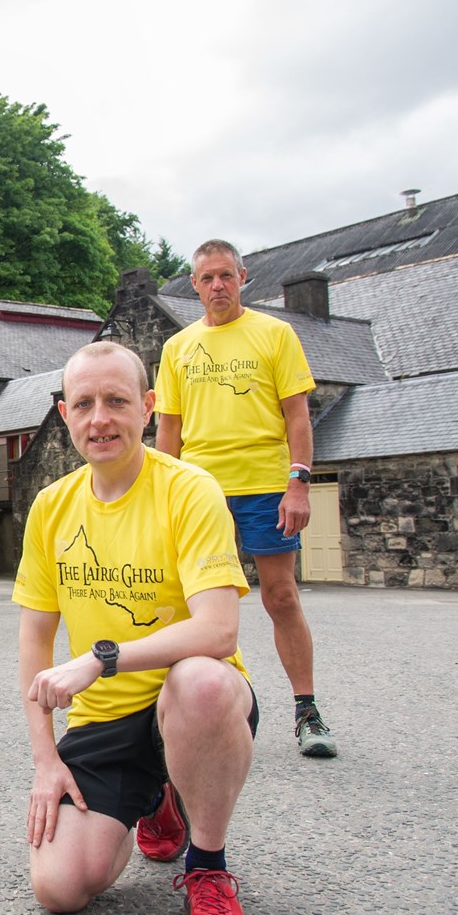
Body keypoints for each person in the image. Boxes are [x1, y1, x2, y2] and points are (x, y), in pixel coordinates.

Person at [18, 341, 258, 915]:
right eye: (85, 403)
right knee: (60, 887)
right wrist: (47, 761)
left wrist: (100, 657)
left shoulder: (190, 490)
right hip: (105, 718)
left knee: (199, 682)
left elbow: (218, 630)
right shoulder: (51, 508)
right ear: (64, 413)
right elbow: (34, 640)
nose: (101, 418)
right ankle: (157, 798)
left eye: (117, 401)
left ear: (147, 408)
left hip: (192, 702)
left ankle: (207, 868)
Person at [154, 239, 338, 758]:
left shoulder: (274, 333)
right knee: (186, 604)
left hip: (264, 483)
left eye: (226, 276)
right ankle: (184, 710)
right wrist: (161, 492)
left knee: (280, 597)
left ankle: (306, 711)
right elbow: (169, 429)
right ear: (194, 284)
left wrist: (298, 481)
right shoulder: (178, 348)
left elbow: (297, 415)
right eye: (207, 278)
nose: (217, 286)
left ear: (243, 277)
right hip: (198, 490)